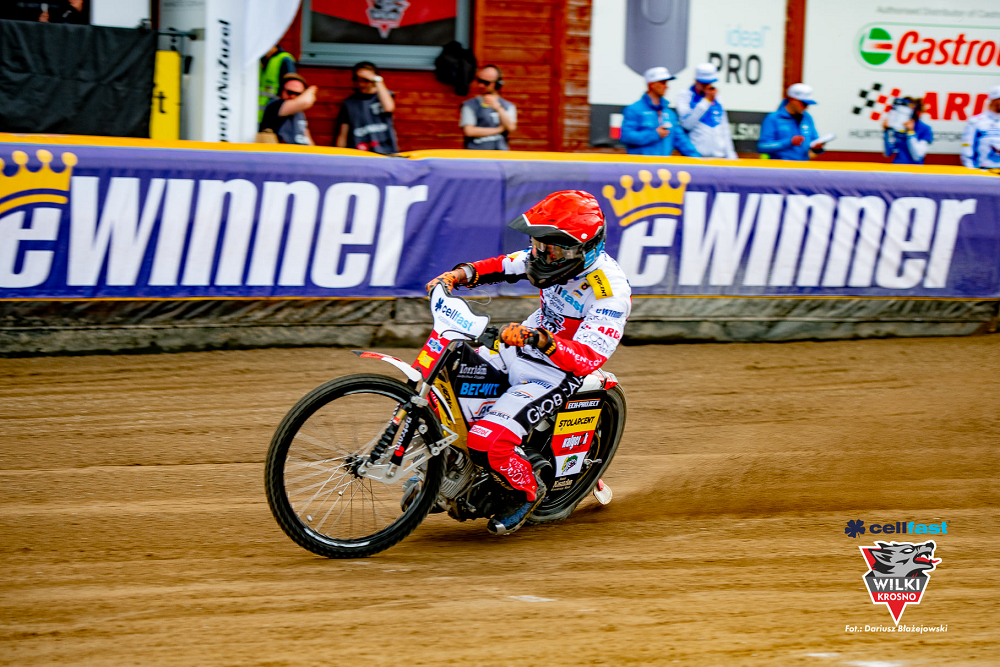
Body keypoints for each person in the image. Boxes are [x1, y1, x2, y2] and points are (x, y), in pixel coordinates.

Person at [425, 191, 632, 536]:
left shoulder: (609, 291)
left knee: (487, 442)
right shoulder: (548, 254)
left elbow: (588, 358)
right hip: (518, 345)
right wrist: (458, 275)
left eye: (551, 250)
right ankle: (443, 477)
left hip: (554, 372)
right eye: (537, 245)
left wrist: (541, 340)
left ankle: (526, 491)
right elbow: (503, 265)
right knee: (447, 393)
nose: (539, 255)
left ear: (583, 249)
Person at [619, 66, 700, 157]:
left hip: (663, 164)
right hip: (641, 164)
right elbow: (626, 136)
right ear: (651, 85)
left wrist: (698, 159)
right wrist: (654, 134)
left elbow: (681, 140)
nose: (666, 86)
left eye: (666, 83)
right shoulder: (634, 110)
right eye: (663, 83)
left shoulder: (669, 113)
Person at [675, 63, 736, 159]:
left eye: (710, 83)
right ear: (696, 81)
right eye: (704, 84)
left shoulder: (716, 97)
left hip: (719, 157)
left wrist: (731, 156)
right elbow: (687, 124)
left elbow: (724, 129)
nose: (707, 87)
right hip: (697, 157)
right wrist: (706, 101)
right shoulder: (685, 96)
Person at [335, 61, 398, 154]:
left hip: (386, 151)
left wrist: (377, 80)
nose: (361, 84)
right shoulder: (349, 103)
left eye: (365, 80)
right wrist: (339, 154)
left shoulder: (384, 96)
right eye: (357, 80)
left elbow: (389, 107)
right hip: (359, 153)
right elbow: (343, 133)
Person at [757, 83, 827, 161]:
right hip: (780, 166)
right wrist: (789, 142)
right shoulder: (773, 118)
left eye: (808, 104)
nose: (806, 107)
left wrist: (817, 147)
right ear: (792, 99)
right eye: (804, 103)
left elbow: (814, 141)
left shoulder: (807, 117)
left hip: (802, 166)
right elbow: (762, 146)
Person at [460, 65, 517, 150]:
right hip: (476, 153)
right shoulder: (470, 105)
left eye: (486, 83)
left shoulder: (508, 105)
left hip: (500, 153)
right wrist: (499, 129)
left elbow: (511, 127)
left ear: (497, 84)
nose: (481, 85)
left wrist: (498, 108)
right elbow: (469, 131)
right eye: (479, 81)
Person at [258, 73, 316, 145]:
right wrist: (311, 90)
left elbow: (306, 136)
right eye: (290, 92)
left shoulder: (299, 112)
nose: (293, 96)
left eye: (298, 94)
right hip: (284, 150)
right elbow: (306, 101)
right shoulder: (275, 106)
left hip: (302, 150)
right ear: (281, 90)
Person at [882, 97, 933, 165]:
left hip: (915, 169)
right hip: (897, 167)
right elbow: (888, 153)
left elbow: (917, 156)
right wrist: (886, 132)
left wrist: (910, 132)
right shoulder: (897, 127)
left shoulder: (925, 128)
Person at [960, 85, 1000, 170]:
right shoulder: (976, 121)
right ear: (993, 100)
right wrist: (970, 169)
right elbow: (967, 146)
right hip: (983, 171)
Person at [259, 45, 297, 123]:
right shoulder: (259, 60)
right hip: (257, 116)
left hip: (275, 115)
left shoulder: (285, 59)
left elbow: (291, 88)